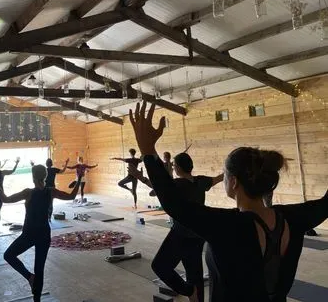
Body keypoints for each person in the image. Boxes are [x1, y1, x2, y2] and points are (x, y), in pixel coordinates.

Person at [129, 101, 328, 302]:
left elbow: (174, 204)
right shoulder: (294, 217)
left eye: (225, 176)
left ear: (233, 182)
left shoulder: (227, 226)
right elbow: (326, 203)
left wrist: (147, 149)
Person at [129, 153, 223, 302]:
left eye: (174, 165)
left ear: (178, 168)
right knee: (194, 274)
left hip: (181, 234)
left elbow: (158, 186)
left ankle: (188, 290)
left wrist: (140, 177)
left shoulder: (179, 185)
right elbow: (219, 178)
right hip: (198, 234)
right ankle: (194, 295)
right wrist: (232, 170)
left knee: (160, 266)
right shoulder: (201, 181)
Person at [0, 165, 83, 302]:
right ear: (46, 176)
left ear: (33, 176)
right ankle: (36, 295)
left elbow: (6, 199)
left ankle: (30, 277)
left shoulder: (28, 192)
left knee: (9, 255)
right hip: (43, 234)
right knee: (39, 269)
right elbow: (71, 195)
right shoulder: (51, 191)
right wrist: (79, 179)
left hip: (29, 234)